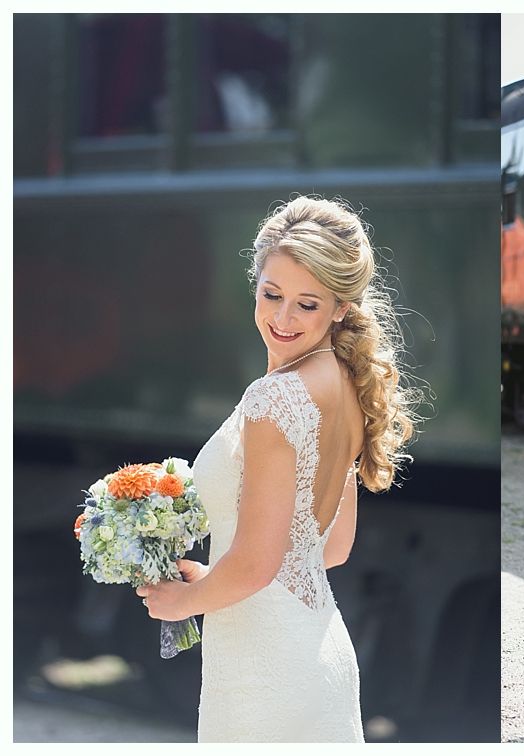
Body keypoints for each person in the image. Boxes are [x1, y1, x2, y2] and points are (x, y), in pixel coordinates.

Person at [137, 196, 420, 742]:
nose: (282, 318)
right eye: (271, 295)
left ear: (341, 307)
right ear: (256, 284)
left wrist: (182, 601)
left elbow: (260, 566)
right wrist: (211, 575)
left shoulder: (274, 399)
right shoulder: (347, 382)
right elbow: (328, 550)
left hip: (261, 674)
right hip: (319, 655)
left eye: (307, 305)